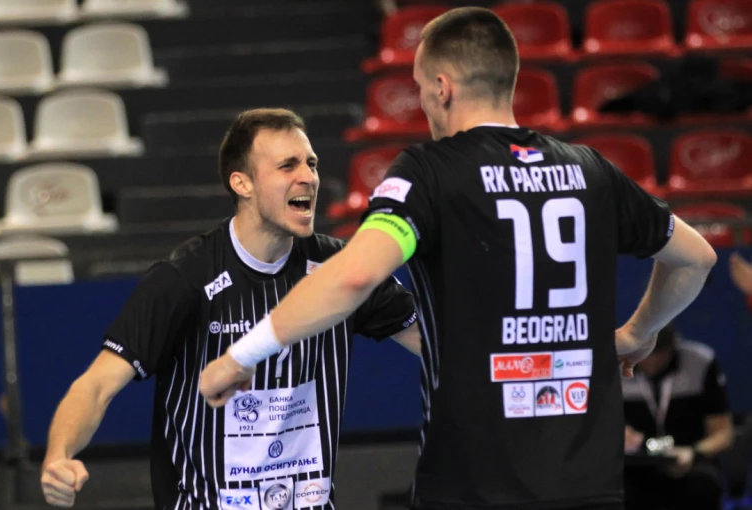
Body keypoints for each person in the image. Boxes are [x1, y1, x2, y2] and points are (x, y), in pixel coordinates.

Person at [199, 8, 717, 510]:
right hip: (589, 484)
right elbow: (696, 257)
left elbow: (356, 275)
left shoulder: (431, 173)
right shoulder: (589, 169)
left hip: (474, 483)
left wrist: (241, 356)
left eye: (420, 88)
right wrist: (639, 331)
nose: (423, 102)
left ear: (442, 87)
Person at [40, 108, 421, 509]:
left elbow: (436, 344)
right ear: (242, 183)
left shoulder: (341, 271)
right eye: (287, 165)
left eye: (311, 164)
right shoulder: (184, 277)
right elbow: (96, 385)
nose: (308, 177)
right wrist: (58, 457)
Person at [622, 324, 733, 510]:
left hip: (690, 459)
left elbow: (724, 433)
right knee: (618, 489)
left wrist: (693, 453)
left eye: (659, 353)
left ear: (674, 346)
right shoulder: (615, 364)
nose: (652, 361)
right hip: (636, 463)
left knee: (703, 485)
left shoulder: (700, 362)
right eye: (644, 354)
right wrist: (618, 436)